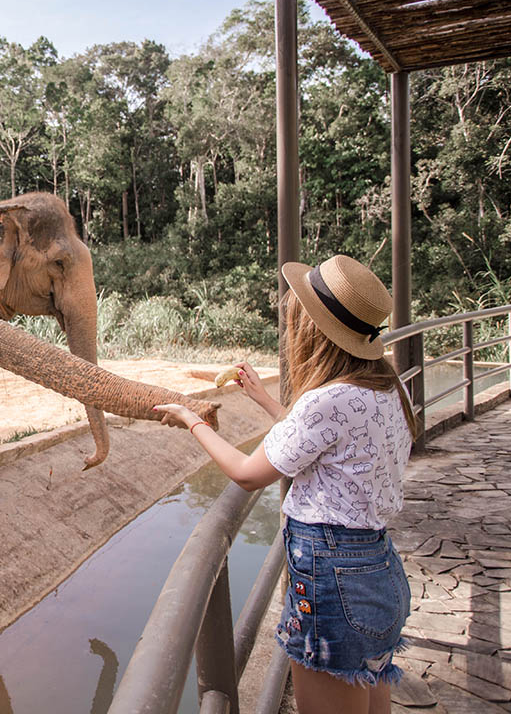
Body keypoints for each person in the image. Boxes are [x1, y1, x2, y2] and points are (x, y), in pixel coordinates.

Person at [154, 255, 415, 714]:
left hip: (333, 579)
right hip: (378, 570)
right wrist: (263, 398)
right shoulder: (386, 386)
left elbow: (248, 473)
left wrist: (194, 421)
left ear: (313, 331)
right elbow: (327, 445)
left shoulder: (325, 400)